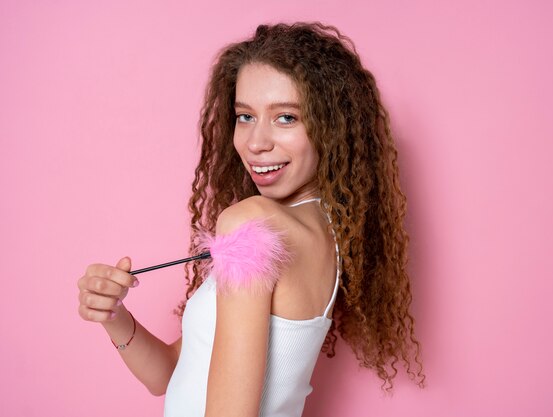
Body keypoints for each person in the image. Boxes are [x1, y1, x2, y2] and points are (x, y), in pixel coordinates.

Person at [77, 22, 425, 417]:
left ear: (331, 128)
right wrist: (114, 316)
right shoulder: (319, 231)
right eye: (245, 117)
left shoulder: (253, 222)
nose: (256, 143)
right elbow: (174, 374)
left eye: (287, 118)